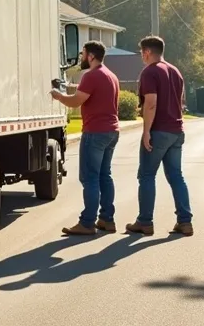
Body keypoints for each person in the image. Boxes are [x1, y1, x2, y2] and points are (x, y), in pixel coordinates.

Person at [50, 40, 120, 236]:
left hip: (95, 132)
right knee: (104, 176)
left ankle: (87, 223)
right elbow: (88, 93)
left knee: (89, 178)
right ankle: (107, 219)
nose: (81, 57)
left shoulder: (91, 75)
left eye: (83, 54)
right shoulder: (110, 75)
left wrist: (58, 96)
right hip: (112, 131)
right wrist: (69, 87)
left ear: (90, 56)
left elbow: (75, 101)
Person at [125, 35, 193, 237]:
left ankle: (145, 221)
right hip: (176, 130)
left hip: (159, 130)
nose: (141, 57)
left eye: (141, 53)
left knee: (146, 175)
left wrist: (146, 132)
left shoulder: (150, 72)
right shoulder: (175, 71)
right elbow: (180, 102)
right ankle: (185, 221)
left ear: (147, 52)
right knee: (176, 177)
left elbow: (151, 103)